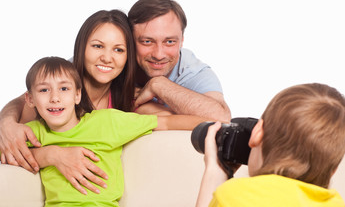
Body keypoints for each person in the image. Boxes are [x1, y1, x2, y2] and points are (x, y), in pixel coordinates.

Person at [0, 9, 167, 194]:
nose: (107, 57)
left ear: (128, 57)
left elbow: (172, 119)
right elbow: (16, 136)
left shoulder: (129, 100)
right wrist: (52, 154)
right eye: (97, 46)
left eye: (118, 49)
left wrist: (159, 86)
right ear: (82, 48)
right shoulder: (59, 92)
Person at [22, 56, 207, 206]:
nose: (55, 98)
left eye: (64, 88)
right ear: (30, 99)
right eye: (44, 90)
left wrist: (213, 123)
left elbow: (166, 123)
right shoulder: (34, 132)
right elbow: (7, 151)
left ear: (77, 95)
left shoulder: (106, 121)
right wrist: (49, 154)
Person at [195, 83, 345, 207]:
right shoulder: (336, 203)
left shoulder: (233, 196)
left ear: (257, 132)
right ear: (333, 170)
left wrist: (214, 171)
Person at [128, 0, 231, 122]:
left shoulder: (194, 72)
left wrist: (159, 85)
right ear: (130, 40)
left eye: (170, 42)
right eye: (147, 42)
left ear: (182, 41)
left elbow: (222, 118)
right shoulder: (116, 62)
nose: (159, 55)